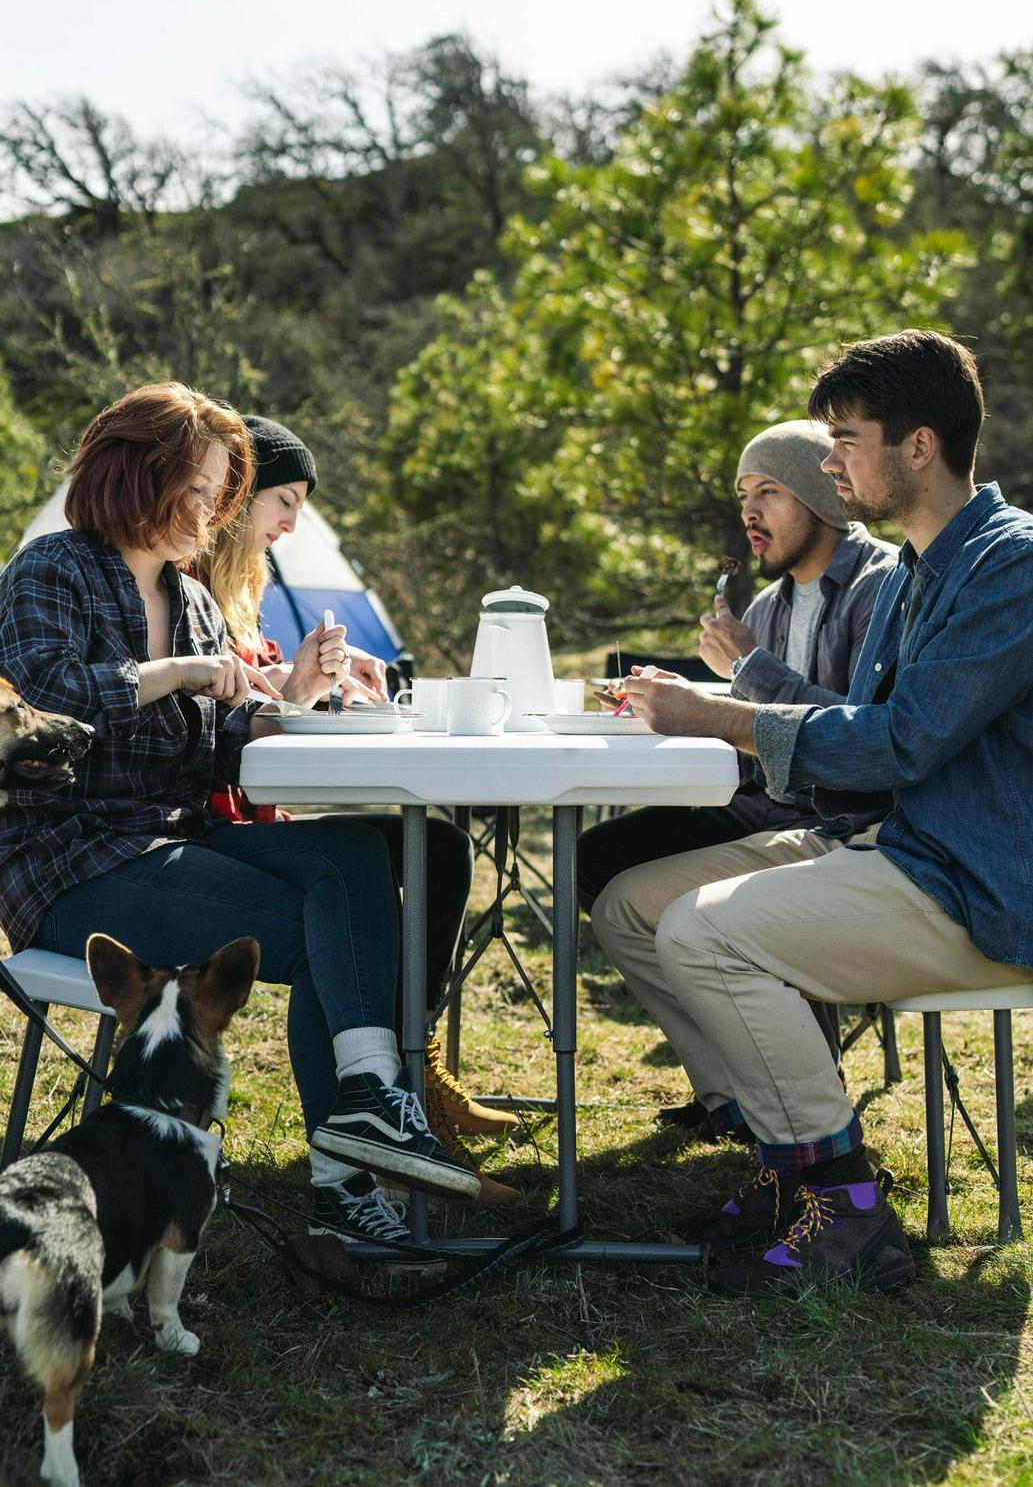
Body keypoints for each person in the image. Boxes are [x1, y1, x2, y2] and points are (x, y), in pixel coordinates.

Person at [594, 329, 1033, 1293]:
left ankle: (843, 1211)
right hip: (895, 840)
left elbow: (900, 742)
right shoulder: (920, 569)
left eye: (845, 437)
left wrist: (726, 717)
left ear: (918, 446)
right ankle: (778, 1156)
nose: (829, 460)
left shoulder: (1011, 566)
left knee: (706, 936)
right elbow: (857, 737)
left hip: (975, 882)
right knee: (630, 905)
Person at [0, 382, 481, 1259]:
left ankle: (371, 1096)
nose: (210, 510)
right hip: (72, 863)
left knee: (352, 850)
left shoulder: (187, 599)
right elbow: (44, 707)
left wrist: (287, 703)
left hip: (171, 834)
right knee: (324, 922)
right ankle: (345, 1183)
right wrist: (180, 672)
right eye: (198, 488)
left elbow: (218, 749)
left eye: (221, 492)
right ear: (133, 474)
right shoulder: (53, 570)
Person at [194, 413, 519, 1202]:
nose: (291, 524)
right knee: (356, 867)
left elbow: (258, 681)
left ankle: (411, 1065)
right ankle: (388, 1105)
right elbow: (225, 718)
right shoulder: (181, 580)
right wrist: (300, 686)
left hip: (249, 812)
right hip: (214, 823)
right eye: (285, 501)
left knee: (436, 848)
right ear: (235, 497)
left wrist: (320, 672)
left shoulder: (239, 591)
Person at [578, 419, 898, 1129]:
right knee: (599, 864)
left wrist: (747, 669)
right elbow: (755, 722)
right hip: (775, 804)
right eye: (741, 495)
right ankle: (732, 1092)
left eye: (769, 492)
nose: (748, 512)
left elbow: (859, 737)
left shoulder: (882, 588)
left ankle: (781, 1087)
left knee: (625, 879)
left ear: (818, 495)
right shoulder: (767, 604)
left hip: (840, 817)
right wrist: (675, 700)